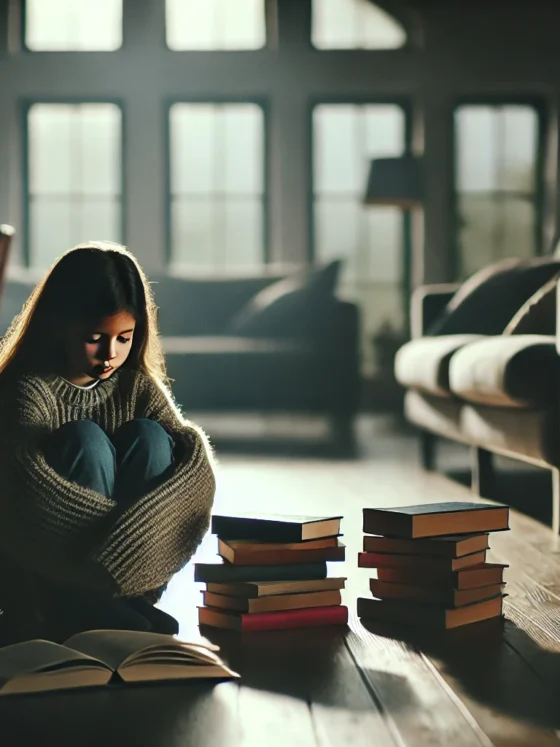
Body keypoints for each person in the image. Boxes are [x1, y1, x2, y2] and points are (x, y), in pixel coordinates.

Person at [0, 241, 216, 641]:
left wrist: (126, 554)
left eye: (124, 338)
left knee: (153, 436)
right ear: (58, 325)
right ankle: (87, 603)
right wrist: (113, 554)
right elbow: (23, 490)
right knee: (87, 440)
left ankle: (118, 602)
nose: (109, 354)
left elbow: (193, 473)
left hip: (134, 582)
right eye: (95, 337)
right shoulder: (27, 391)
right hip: (42, 576)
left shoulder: (137, 389)